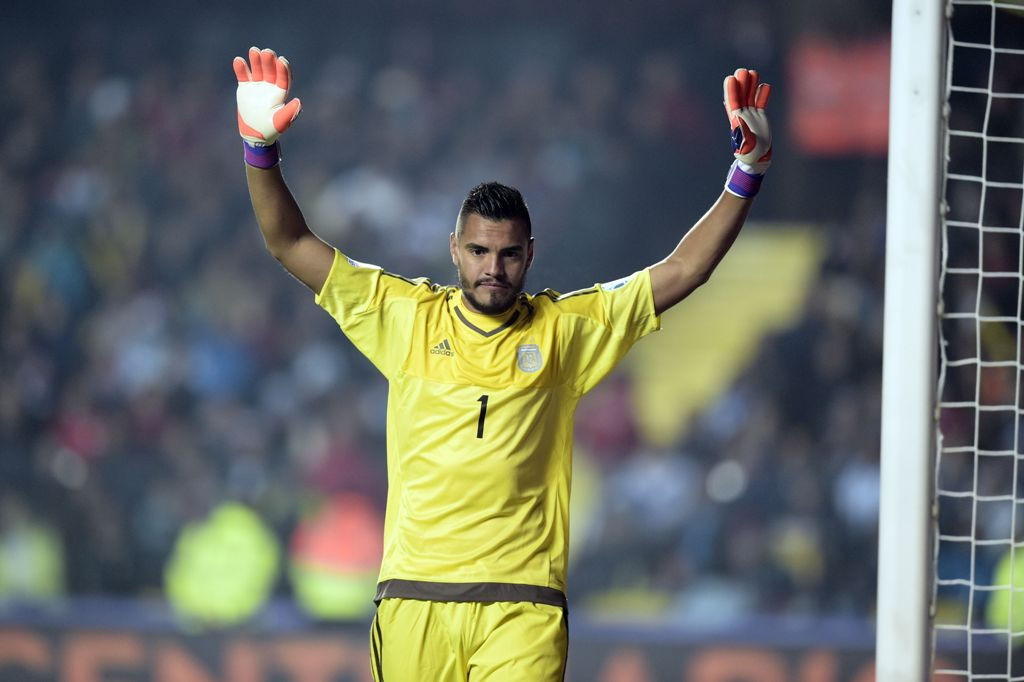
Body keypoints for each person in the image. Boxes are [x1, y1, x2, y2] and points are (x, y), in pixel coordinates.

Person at [233, 46, 772, 682]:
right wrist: (258, 151)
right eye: (480, 251)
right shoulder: (406, 317)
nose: (494, 268)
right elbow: (289, 242)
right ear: (454, 251)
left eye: (509, 254)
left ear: (531, 254)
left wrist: (747, 169)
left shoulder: (567, 331)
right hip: (413, 598)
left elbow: (685, 269)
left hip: (524, 606)